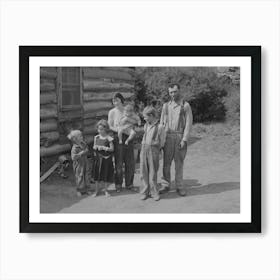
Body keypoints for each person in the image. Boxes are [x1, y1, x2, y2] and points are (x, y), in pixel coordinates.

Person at [159, 83, 193, 196]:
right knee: (166, 163)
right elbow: (161, 123)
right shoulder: (165, 106)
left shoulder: (185, 105)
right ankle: (165, 185)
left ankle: (179, 186)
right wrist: (160, 139)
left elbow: (188, 123)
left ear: (179, 91)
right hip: (168, 137)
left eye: (175, 91)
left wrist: (184, 139)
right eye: (171, 92)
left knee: (179, 163)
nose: (173, 94)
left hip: (179, 136)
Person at [108, 93, 135, 193]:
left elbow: (134, 120)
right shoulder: (112, 112)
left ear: (121, 100)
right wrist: (120, 130)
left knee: (130, 162)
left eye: (116, 99)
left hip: (128, 137)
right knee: (118, 163)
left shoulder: (127, 110)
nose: (114, 101)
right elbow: (110, 126)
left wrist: (128, 126)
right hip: (118, 137)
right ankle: (118, 184)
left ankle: (129, 184)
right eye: (113, 100)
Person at [140, 106, 166, 201]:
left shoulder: (160, 127)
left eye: (145, 117)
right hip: (144, 150)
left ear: (151, 116)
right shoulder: (146, 125)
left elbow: (162, 141)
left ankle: (154, 192)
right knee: (144, 172)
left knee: (152, 173)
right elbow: (144, 137)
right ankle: (145, 192)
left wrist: (158, 151)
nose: (144, 119)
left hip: (153, 151)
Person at [92, 119, 114, 197]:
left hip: (105, 159)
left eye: (101, 129)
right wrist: (96, 147)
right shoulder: (96, 137)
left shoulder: (109, 138)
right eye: (98, 129)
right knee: (97, 175)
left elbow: (112, 149)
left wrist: (104, 148)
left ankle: (106, 190)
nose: (99, 131)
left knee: (105, 175)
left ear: (106, 129)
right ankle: (96, 190)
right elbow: (94, 147)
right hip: (98, 159)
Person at [67, 130, 91, 197]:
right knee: (80, 177)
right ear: (75, 139)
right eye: (80, 136)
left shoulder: (83, 144)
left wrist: (86, 151)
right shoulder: (74, 148)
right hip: (79, 165)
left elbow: (87, 150)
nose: (82, 137)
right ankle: (79, 190)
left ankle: (87, 189)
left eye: (81, 135)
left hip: (85, 163)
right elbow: (73, 157)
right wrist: (81, 153)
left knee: (86, 176)